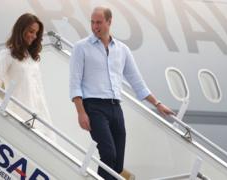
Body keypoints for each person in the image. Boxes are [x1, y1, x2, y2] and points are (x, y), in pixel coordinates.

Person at [69, 6, 175, 179]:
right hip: (94, 107)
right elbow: (74, 83)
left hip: (116, 108)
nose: (95, 26)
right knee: (108, 154)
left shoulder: (122, 50)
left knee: (117, 163)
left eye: (99, 22)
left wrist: (157, 103)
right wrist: (81, 112)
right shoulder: (81, 48)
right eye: (92, 22)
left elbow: (136, 81)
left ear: (109, 22)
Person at [0, 13, 55, 141]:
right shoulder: (7, 54)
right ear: (21, 30)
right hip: (19, 113)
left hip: (38, 112)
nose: (34, 36)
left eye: (36, 33)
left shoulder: (32, 59)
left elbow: (37, 89)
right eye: (31, 31)